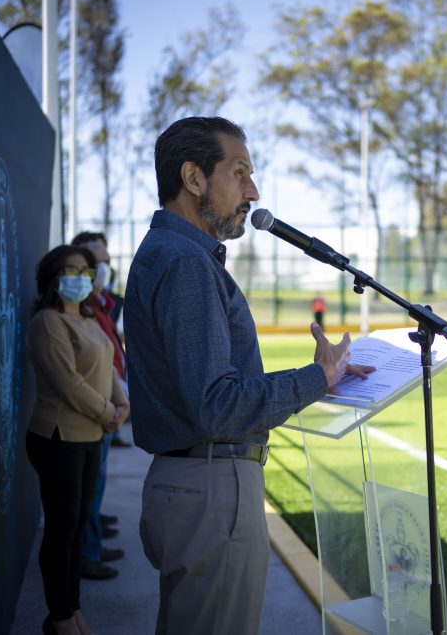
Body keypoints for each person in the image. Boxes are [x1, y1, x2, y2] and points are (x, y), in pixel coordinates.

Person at [125, 116, 373, 635]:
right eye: (239, 173)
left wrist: (321, 376)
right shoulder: (186, 263)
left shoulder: (174, 255)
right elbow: (215, 405)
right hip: (212, 493)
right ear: (194, 179)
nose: (252, 191)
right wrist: (316, 379)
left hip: (194, 487)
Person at [25, 245, 130, 635]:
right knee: (61, 529)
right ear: (53, 278)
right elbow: (69, 383)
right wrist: (110, 414)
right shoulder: (48, 323)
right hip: (58, 439)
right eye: (70, 270)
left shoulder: (88, 318)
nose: (80, 277)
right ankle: (61, 616)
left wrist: (123, 404)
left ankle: (72, 610)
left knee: (76, 526)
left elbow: (109, 365)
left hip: (88, 439)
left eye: (85, 271)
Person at [70, 233, 128, 581]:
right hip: (96, 412)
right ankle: (87, 553)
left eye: (104, 262)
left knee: (96, 484)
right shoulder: (76, 311)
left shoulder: (101, 303)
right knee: (86, 490)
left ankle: (92, 541)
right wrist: (111, 409)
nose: (101, 269)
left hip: (110, 406)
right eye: (94, 264)